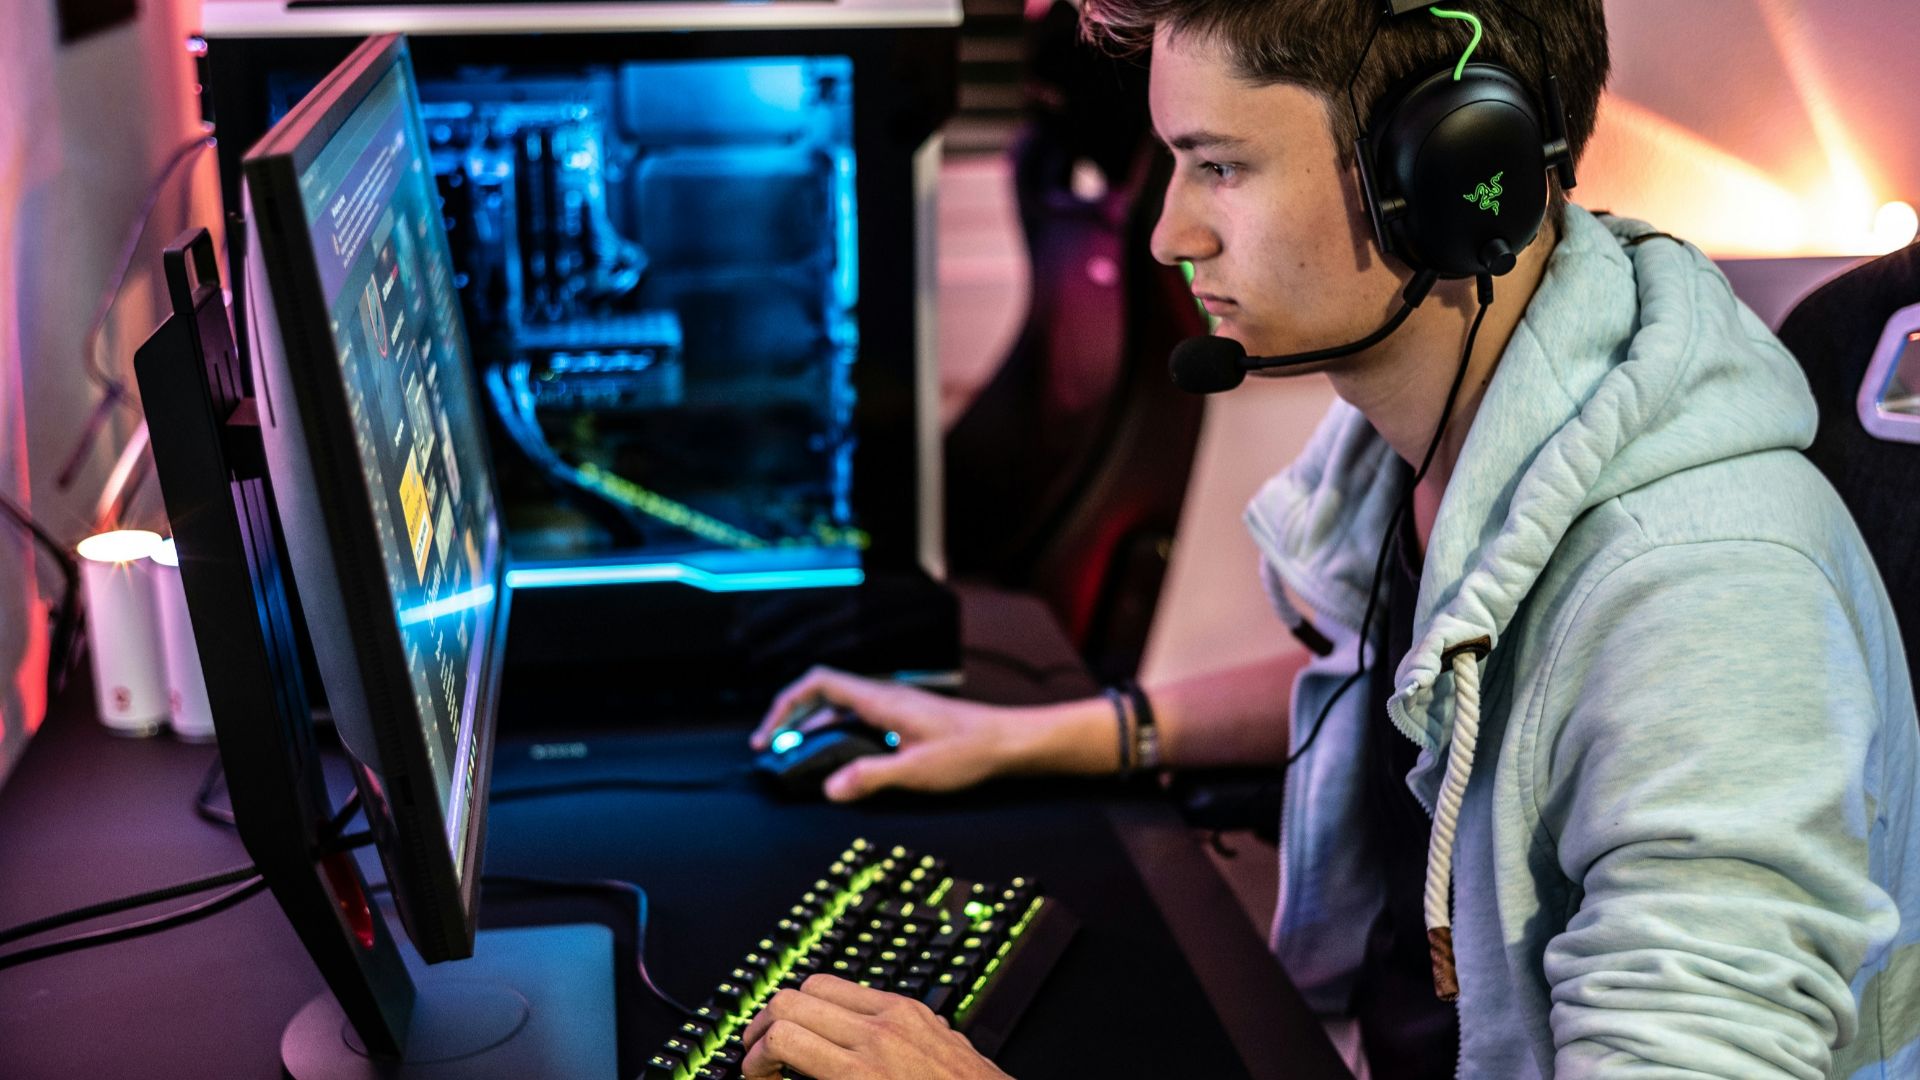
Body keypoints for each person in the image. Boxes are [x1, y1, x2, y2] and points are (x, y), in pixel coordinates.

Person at [735, 1, 1920, 1077]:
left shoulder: (1706, 597)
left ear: (1456, 173)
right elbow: (1430, 682)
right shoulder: (1454, 427)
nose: (1167, 234)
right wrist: (1055, 737)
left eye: (1219, 168)